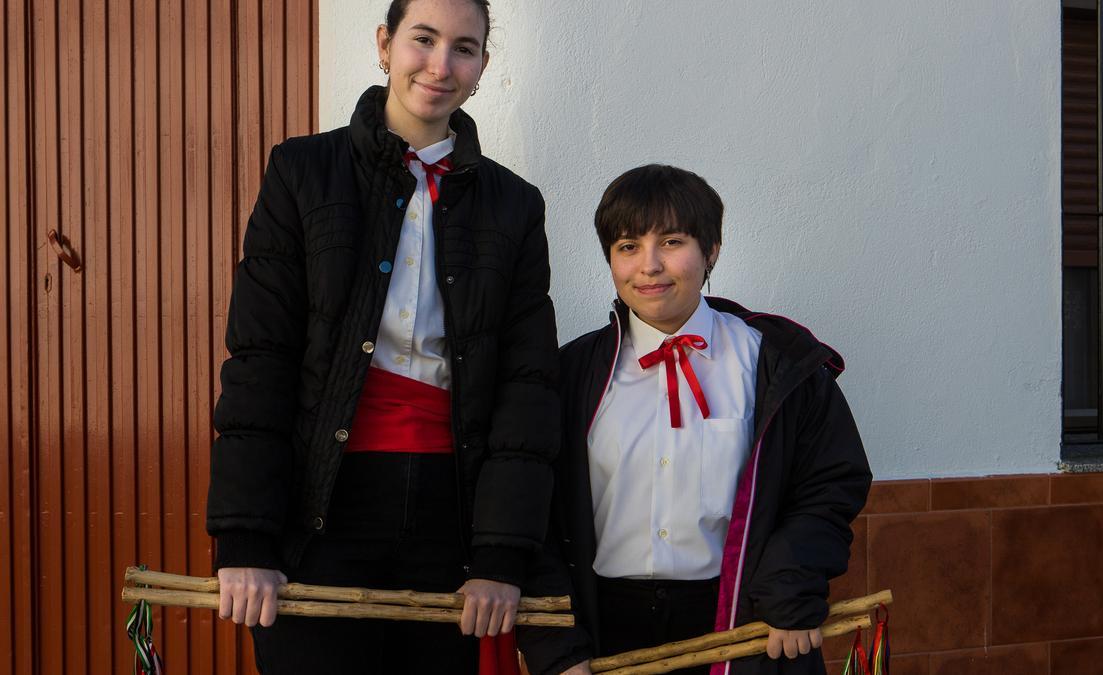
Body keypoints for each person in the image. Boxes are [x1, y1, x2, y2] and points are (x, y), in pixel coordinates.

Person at [204, 1, 559, 672]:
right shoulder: (303, 172)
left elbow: (527, 385)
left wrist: (500, 554)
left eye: (464, 48)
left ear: (483, 66)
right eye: (422, 40)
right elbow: (261, 358)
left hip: (449, 521)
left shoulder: (515, 205)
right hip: (320, 511)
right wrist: (246, 538)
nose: (440, 64)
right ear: (384, 44)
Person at [518, 165, 872, 675]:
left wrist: (791, 587)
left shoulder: (778, 365)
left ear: (712, 250)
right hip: (604, 634)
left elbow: (829, 485)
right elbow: (537, 515)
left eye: (672, 241)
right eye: (627, 247)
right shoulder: (570, 374)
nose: (650, 266)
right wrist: (557, 650)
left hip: (741, 624)